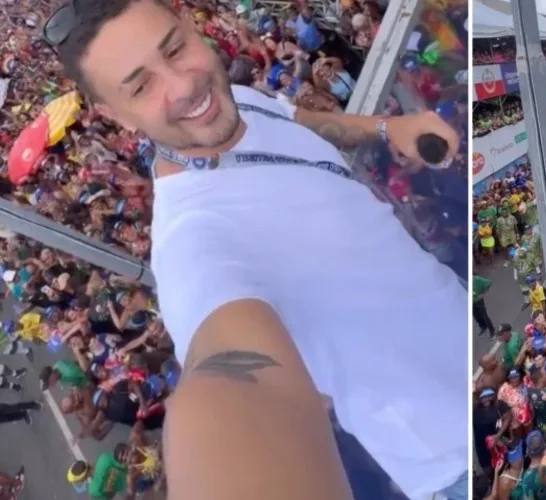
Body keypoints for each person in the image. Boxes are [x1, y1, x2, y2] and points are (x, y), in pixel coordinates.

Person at [49, 0, 467, 498]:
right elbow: (225, 377)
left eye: (175, 49)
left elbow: (297, 120)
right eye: (141, 86)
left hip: (456, 314)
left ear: (191, 28)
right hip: (452, 456)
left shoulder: (237, 101)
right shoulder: (192, 242)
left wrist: (385, 127)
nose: (183, 85)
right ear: (115, 116)